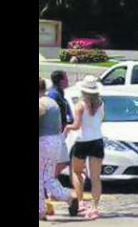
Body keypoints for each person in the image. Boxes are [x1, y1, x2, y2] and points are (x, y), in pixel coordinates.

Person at [64, 75, 105, 220]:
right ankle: (95, 207)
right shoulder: (101, 103)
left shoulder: (80, 105)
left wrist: (67, 127)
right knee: (95, 177)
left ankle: (81, 202)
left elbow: (77, 125)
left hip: (82, 141)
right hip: (97, 140)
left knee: (76, 172)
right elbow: (101, 119)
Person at [39, 77, 79, 221]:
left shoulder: (41, 103)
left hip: (44, 142)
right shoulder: (52, 102)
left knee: (42, 177)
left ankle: (42, 210)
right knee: (47, 177)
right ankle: (67, 197)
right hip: (55, 141)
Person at [47, 70, 73, 177]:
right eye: (66, 78)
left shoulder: (59, 93)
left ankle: (49, 180)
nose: (68, 81)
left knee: (62, 161)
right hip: (54, 133)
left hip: (59, 133)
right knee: (60, 160)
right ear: (61, 81)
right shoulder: (53, 94)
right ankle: (48, 179)